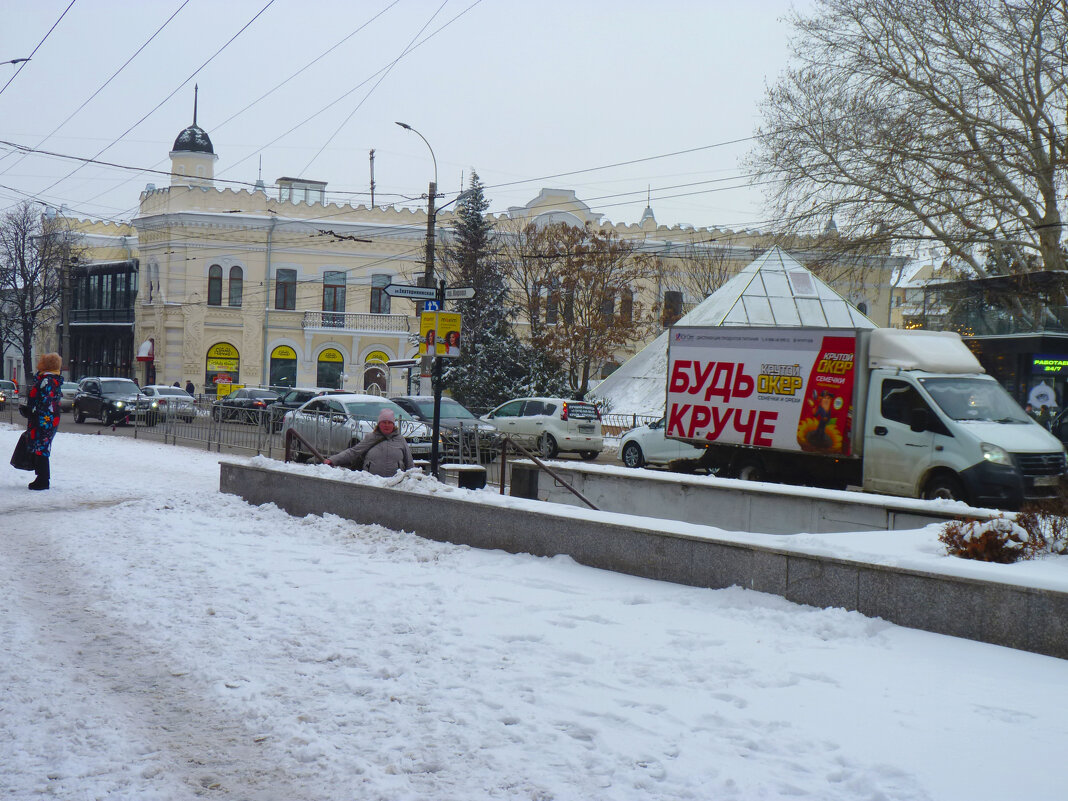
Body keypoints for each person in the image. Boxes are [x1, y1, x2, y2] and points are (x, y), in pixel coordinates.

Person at [324, 408, 413, 477]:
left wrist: (412, 479)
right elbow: (353, 452)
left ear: (393, 425)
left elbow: (409, 462)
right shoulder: (371, 438)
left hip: (395, 483)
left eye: (389, 423)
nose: (386, 425)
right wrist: (333, 460)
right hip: (372, 482)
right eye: (384, 422)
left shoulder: (400, 439)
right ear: (379, 424)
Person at [25, 352, 62, 491]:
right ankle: (41, 478)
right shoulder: (52, 379)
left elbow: (45, 401)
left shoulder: (47, 380)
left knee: (41, 447)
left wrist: (34, 411)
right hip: (48, 418)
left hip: (44, 419)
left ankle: (43, 479)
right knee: (41, 447)